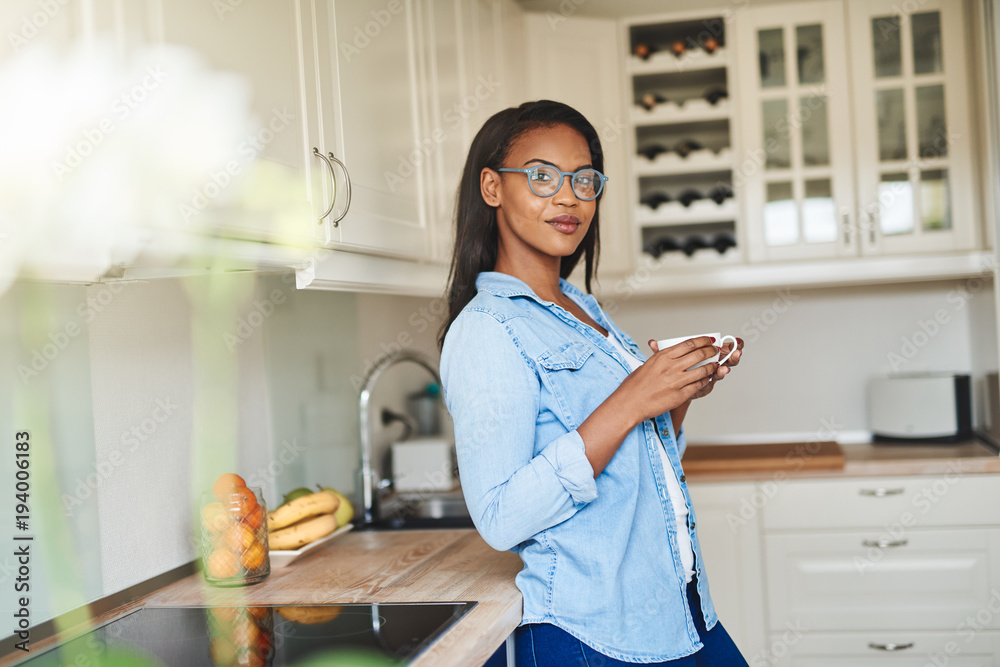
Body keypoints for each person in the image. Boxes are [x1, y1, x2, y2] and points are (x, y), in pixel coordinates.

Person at [437, 100, 748, 666]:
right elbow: (501, 517)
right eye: (541, 177)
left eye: (584, 180)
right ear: (491, 187)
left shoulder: (582, 310)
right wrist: (632, 399)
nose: (568, 197)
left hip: (677, 612)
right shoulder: (487, 329)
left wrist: (673, 397)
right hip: (590, 636)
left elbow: (635, 460)